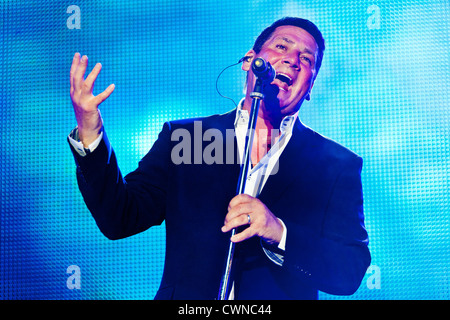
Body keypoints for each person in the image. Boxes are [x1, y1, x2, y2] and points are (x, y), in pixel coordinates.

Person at [68, 17, 370, 299]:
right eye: (282, 46)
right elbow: (119, 217)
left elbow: (349, 270)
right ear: (250, 61)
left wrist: (278, 231)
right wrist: (90, 132)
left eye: (306, 59)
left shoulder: (335, 165)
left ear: (310, 87)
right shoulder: (187, 138)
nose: (293, 59)